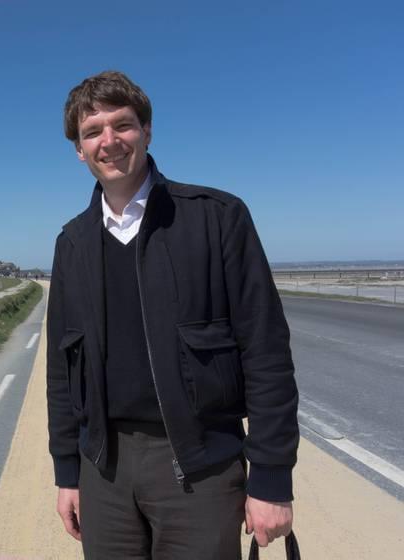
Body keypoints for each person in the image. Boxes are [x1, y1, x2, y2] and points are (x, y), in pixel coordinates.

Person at [46, 70, 299, 559]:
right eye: (93, 131)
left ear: (146, 131)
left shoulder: (216, 217)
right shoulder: (72, 243)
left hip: (199, 466)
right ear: (79, 149)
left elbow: (266, 351)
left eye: (123, 125)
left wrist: (271, 476)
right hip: (103, 469)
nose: (109, 141)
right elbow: (62, 370)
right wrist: (67, 472)